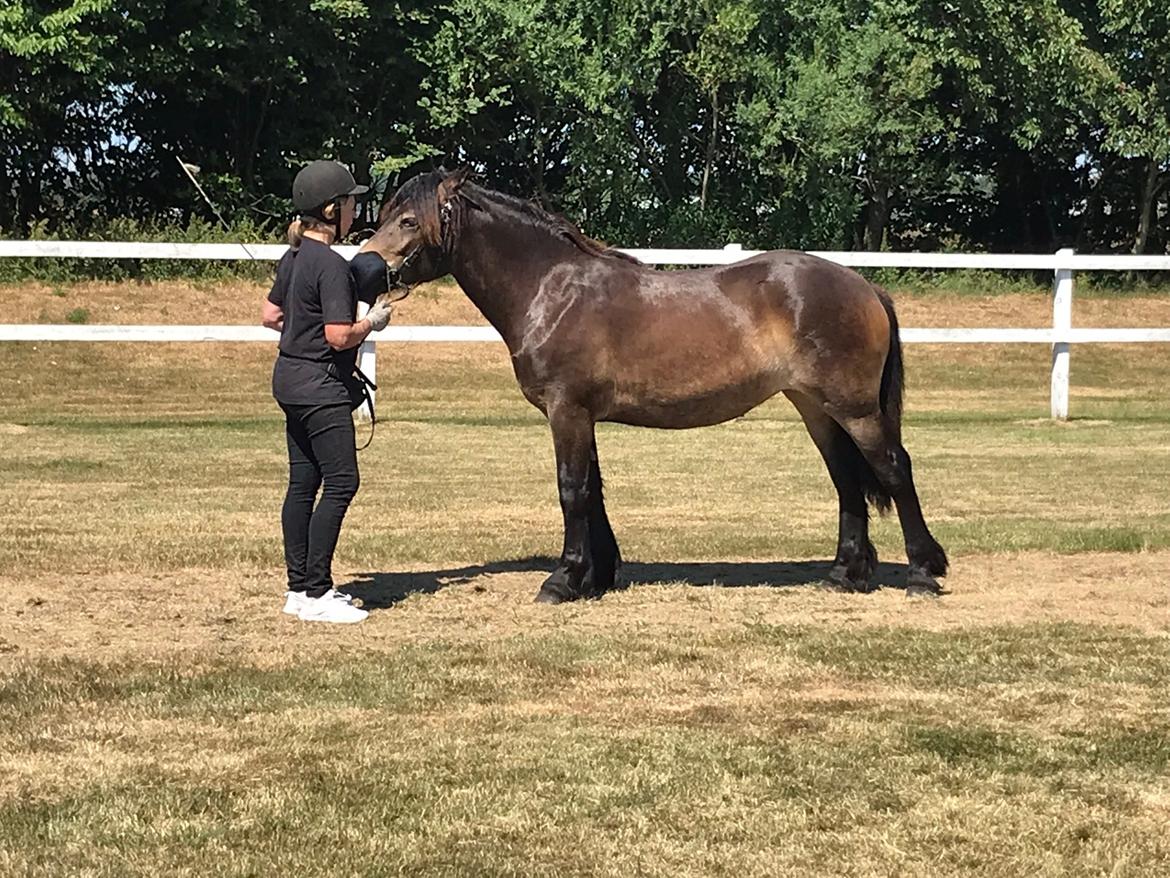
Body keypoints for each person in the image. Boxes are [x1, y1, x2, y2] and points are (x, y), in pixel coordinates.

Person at [261, 160, 393, 624]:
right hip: (320, 387)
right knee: (341, 482)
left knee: (302, 484)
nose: (357, 208)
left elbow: (270, 316)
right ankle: (317, 592)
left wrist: (304, 321)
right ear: (334, 209)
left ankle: (298, 588)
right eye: (352, 202)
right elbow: (339, 336)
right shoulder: (333, 267)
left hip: (289, 379)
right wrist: (372, 323)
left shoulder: (292, 257)